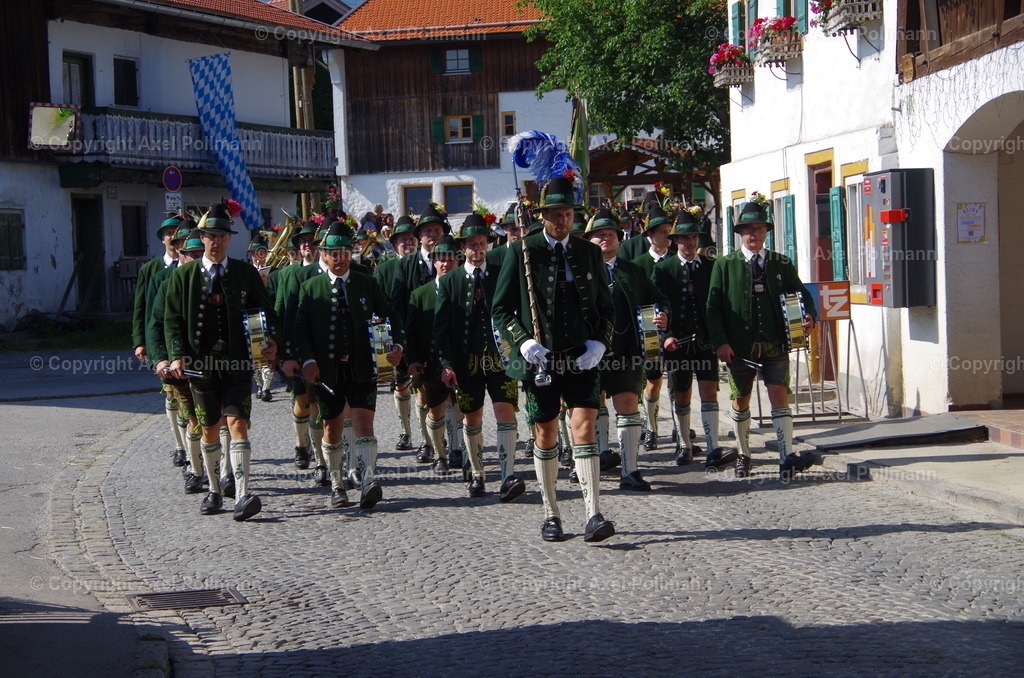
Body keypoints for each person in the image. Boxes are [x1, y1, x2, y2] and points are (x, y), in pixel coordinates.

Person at [492, 174, 615, 543]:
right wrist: (522, 341)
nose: (562, 221)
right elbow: (501, 309)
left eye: (567, 214)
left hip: (580, 357)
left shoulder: (589, 252)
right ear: (542, 216)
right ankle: (552, 513)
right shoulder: (521, 251)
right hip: (540, 359)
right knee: (545, 433)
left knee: (585, 427)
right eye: (555, 215)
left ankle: (593, 513)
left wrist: (600, 344)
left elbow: (606, 310)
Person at [164, 202, 279, 520]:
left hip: (238, 363)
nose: (217, 241)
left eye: (223, 236)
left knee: (238, 424)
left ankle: (242, 494)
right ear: (201, 237)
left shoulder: (244, 273)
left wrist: (272, 339)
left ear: (230, 239)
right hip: (200, 367)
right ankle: (215, 490)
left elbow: (265, 310)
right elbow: (172, 320)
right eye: (211, 235)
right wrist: (175, 357)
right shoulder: (184, 276)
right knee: (209, 428)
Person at [287, 222, 404, 510]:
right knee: (332, 426)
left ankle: (368, 481)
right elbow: (299, 329)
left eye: (344, 252)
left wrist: (397, 345)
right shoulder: (309, 287)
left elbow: (390, 315)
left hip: (363, 367)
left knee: (365, 423)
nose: (339, 258)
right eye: (333, 253)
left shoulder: (366, 281)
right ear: (323, 255)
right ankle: (338, 485)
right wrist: (309, 361)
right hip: (327, 371)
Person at [706, 201, 818, 479]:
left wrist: (810, 315)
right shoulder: (724, 265)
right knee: (740, 398)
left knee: (779, 394)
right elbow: (713, 307)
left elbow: (800, 292)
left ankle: (785, 456)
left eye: (759, 228)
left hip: (775, 342)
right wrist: (720, 341)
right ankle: (744, 453)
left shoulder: (781, 262)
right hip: (739, 347)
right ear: (740, 233)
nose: (754, 234)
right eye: (748, 229)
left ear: (766, 231)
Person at [436, 215, 523, 500]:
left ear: (488, 244)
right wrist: (446, 364)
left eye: (481, 243)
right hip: (467, 363)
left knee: (505, 413)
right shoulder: (450, 281)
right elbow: (442, 328)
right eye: (471, 244)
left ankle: (508, 475)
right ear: (463, 247)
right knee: (472, 419)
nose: (477, 248)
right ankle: (477, 474)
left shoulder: (501, 273)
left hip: (503, 359)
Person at [584, 207, 669, 491]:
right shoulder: (577, 273)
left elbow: (657, 300)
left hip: (626, 351)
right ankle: (590, 463)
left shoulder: (633, 271)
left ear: (619, 239)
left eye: (610, 234)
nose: (605, 239)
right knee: (590, 409)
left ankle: (630, 470)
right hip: (587, 354)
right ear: (589, 241)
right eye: (599, 235)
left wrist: (662, 314)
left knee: (629, 407)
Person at [654, 209, 728, 466]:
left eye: (694, 237)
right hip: (677, 344)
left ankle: (713, 447)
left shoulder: (711, 265)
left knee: (709, 390)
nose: (690, 242)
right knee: (682, 393)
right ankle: (684, 444)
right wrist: (666, 335)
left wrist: (720, 339)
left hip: (705, 341)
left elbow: (719, 304)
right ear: (675, 241)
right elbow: (657, 307)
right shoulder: (664, 269)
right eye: (684, 238)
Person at [149, 225, 207, 493]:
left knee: (220, 421)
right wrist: (161, 359)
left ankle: (224, 474)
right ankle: (196, 471)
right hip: (181, 364)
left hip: (219, 364)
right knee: (193, 418)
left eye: (199, 254)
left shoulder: (220, 278)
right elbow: (156, 324)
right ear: (181, 255)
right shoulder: (168, 282)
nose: (194, 259)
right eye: (189, 255)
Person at [132, 213, 188, 467]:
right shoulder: (151, 270)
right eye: (169, 234)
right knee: (170, 395)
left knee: (183, 397)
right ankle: (179, 445)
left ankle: (191, 446)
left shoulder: (194, 266)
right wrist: (140, 341)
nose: (173, 237)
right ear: (164, 240)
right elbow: (143, 308)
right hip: (161, 341)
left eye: (177, 232)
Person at [405, 235, 461, 471]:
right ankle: (440, 454)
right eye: (440, 259)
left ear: (457, 261)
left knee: (462, 408)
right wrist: (413, 359)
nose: (445, 264)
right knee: (436, 409)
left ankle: (458, 449)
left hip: (462, 360)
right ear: (434, 262)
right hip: (431, 361)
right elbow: (412, 332)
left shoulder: (468, 290)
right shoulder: (420, 294)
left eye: (450, 259)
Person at [629, 205, 675, 453]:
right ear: (651, 235)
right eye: (663, 232)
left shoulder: (677, 259)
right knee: (654, 380)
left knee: (678, 381)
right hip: (647, 331)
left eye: (670, 232)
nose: (667, 237)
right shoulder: (638, 264)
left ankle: (680, 427)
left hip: (675, 328)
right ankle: (652, 427)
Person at [374, 215, 420, 452]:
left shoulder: (425, 263)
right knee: (400, 383)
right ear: (394, 244)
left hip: (421, 333)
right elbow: (378, 303)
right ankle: (406, 431)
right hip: (396, 335)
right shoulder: (385, 268)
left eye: (412, 239)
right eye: (403, 240)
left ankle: (431, 437)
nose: (408, 243)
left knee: (424, 386)